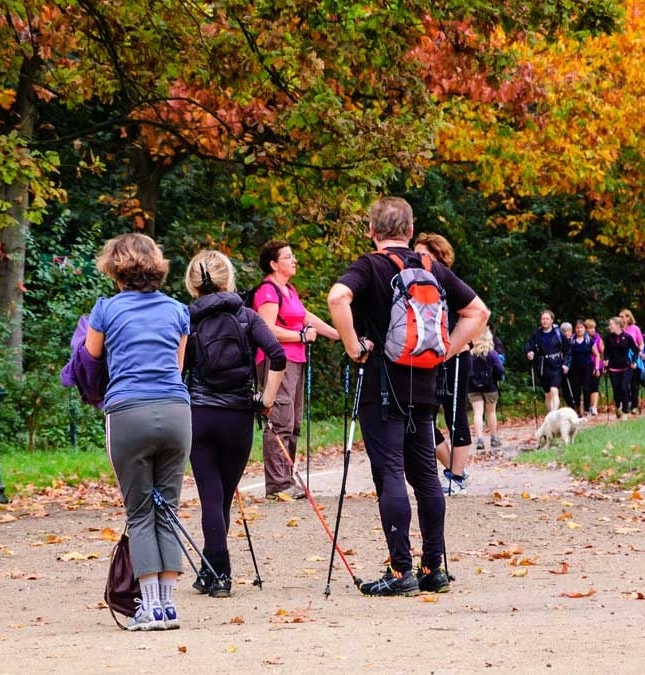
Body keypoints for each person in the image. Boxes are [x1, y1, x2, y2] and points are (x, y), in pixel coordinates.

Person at [328, 196, 489, 596]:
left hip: (382, 387)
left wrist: (352, 345)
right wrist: (445, 351)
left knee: (390, 473)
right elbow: (478, 313)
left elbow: (337, 298)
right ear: (410, 231)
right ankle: (433, 567)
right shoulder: (430, 267)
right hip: (425, 384)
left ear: (372, 231)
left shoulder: (369, 265)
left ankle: (401, 572)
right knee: (427, 477)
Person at [85, 233, 192, 631]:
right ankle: (168, 605)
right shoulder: (179, 310)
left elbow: (91, 356)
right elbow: (177, 366)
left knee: (141, 512)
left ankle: (147, 606)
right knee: (169, 509)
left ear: (115, 268)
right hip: (177, 411)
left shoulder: (106, 310)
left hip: (128, 411)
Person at [182, 251, 285, 598]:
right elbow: (278, 355)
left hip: (199, 415)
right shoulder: (248, 316)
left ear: (192, 283)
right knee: (222, 498)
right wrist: (267, 400)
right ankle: (215, 572)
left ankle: (215, 573)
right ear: (228, 279)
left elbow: (178, 367)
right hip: (239, 414)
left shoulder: (186, 319)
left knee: (211, 497)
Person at [252, 240, 340, 498]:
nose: (294, 260)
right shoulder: (267, 291)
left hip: (295, 361)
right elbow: (266, 328)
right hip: (276, 361)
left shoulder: (288, 290)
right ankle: (277, 484)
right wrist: (300, 336)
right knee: (279, 419)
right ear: (273, 263)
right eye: (288, 256)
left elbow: (304, 316)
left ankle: (286, 478)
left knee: (294, 421)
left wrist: (339, 334)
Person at [415, 233, 472, 495]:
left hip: (455, 356)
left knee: (454, 414)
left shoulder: (449, 282)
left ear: (437, 257)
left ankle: (457, 476)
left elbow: (475, 314)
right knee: (421, 414)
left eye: (422, 254)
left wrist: (457, 344)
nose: (416, 259)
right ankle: (453, 467)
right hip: (427, 357)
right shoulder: (414, 283)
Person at [467, 328, 504, 451]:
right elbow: (499, 369)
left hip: (472, 386)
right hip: (490, 386)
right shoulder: (491, 353)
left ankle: (480, 440)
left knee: (477, 413)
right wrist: (497, 378)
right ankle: (494, 438)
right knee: (491, 412)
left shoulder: (470, 354)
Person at [525, 310, 568, 412]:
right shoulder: (537, 334)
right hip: (543, 366)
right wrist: (529, 353)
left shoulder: (558, 333)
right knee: (547, 394)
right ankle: (550, 415)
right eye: (543, 319)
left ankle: (554, 414)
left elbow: (568, 349)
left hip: (556, 364)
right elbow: (529, 346)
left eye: (547, 319)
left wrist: (566, 364)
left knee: (554, 390)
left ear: (552, 320)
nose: (544, 321)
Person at [600, 317, 639, 420]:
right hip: (613, 368)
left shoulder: (627, 337)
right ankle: (618, 406)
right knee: (616, 390)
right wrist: (606, 360)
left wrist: (634, 361)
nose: (609, 327)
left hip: (626, 367)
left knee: (624, 388)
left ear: (617, 325)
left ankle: (625, 411)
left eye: (611, 324)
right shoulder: (608, 338)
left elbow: (636, 350)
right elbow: (606, 352)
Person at [619, 309, 645, 413]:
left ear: (629, 317)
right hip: (623, 358)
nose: (621, 318)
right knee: (625, 382)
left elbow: (641, 343)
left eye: (623, 316)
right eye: (620, 317)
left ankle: (634, 405)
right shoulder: (619, 329)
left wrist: (640, 351)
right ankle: (627, 402)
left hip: (634, 355)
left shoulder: (635, 329)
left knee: (634, 383)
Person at [567, 321, 595, 415]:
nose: (579, 330)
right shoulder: (571, 341)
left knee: (587, 388)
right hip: (574, 368)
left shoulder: (589, 340)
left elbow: (597, 354)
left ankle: (587, 409)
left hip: (587, 367)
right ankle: (577, 408)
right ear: (575, 329)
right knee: (576, 389)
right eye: (577, 328)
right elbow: (567, 353)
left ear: (584, 329)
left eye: (581, 328)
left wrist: (597, 366)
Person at [584, 319, 604, 415]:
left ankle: (594, 407)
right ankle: (586, 407)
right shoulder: (583, 338)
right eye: (590, 328)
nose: (593, 330)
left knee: (595, 386)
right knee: (586, 387)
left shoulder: (597, 337)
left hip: (597, 364)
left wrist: (603, 365)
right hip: (586, 364)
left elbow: (601, 350)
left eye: (593, 328)